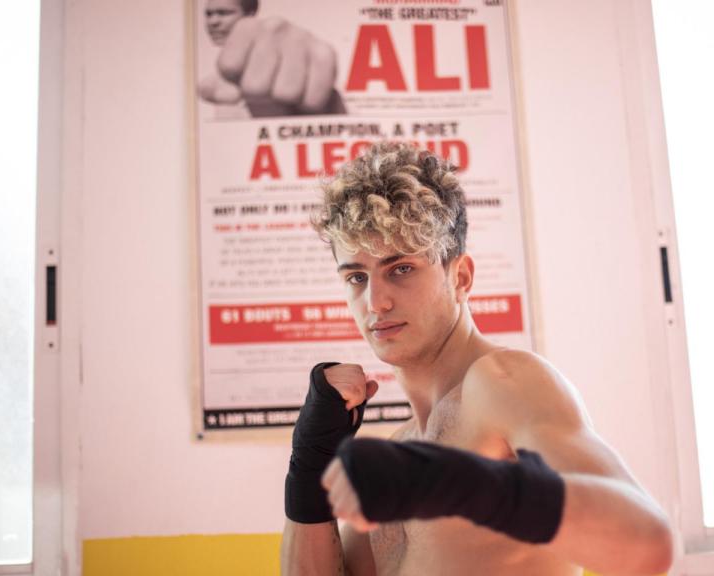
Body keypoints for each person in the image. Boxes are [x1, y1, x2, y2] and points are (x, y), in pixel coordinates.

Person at [281, 142, 674, 575]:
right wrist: (308, 466)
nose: (375, 302)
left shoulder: (504, 381)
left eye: (401, 269)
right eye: (357, 277)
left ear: (461, 276)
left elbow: (646, 543)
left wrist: (452, 482)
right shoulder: (401, 452)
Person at [198, 0, 345, 116]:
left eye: (224, 13)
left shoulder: (284, 67)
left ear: (250, 14)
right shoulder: (211, 82)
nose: (213, 22)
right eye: (208, 14)